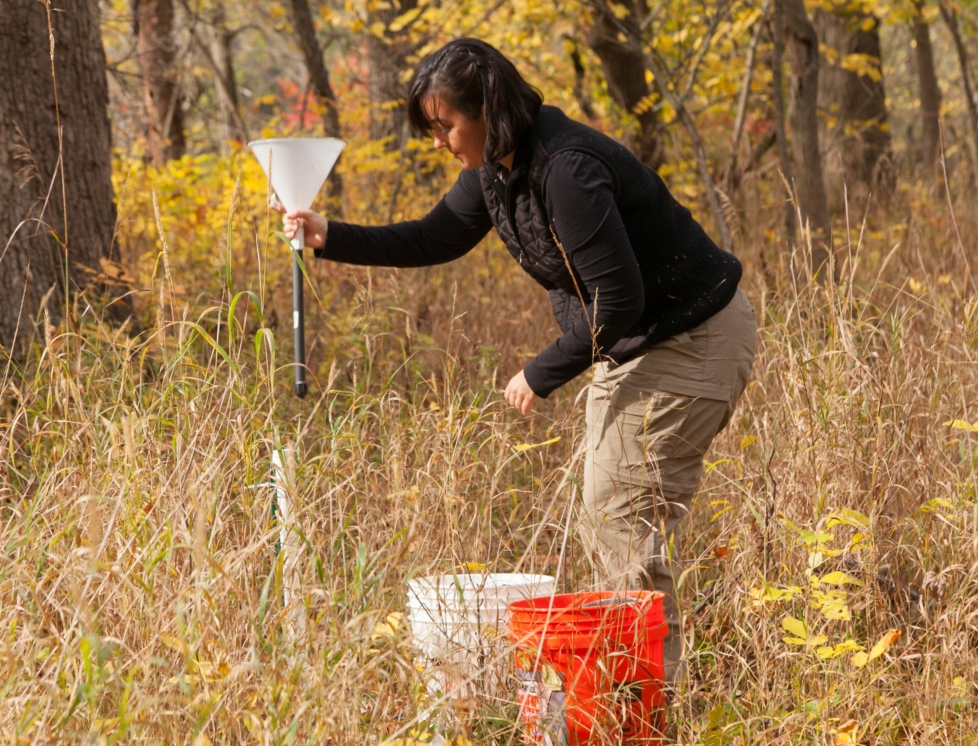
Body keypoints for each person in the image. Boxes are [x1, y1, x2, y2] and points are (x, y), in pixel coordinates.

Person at [281, 37, 756, 681]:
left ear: (489, 110)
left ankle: (644, 700)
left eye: (447, 126)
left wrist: (542, 371)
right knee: (609, 516)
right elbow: (434, 236)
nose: (441, 142)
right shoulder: (497, 168)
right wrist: (328, 235)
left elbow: (618, 299)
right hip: (637, 342)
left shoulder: (567, 171)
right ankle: (626, 687)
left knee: (620, 513)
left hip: (691, 337)